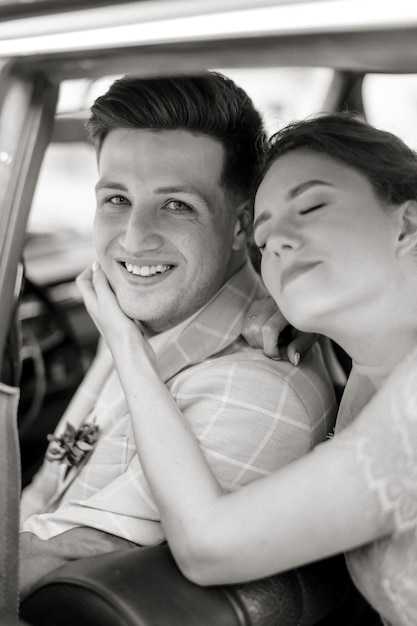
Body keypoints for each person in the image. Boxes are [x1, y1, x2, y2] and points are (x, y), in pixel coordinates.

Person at [79, 112, 417, 626]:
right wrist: (321, 316)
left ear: (407, 224)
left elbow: (208, 547)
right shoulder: (373, 358)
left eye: (312, 205)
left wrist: (128, 348)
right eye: (264, 235)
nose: (279, 239)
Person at [19, 73, 337, 598]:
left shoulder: (257, 391)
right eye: (116, 199)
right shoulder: (133, 315)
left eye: (177, 205)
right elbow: (45, 496)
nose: (133, 239)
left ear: (241, 227)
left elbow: (41, 565)